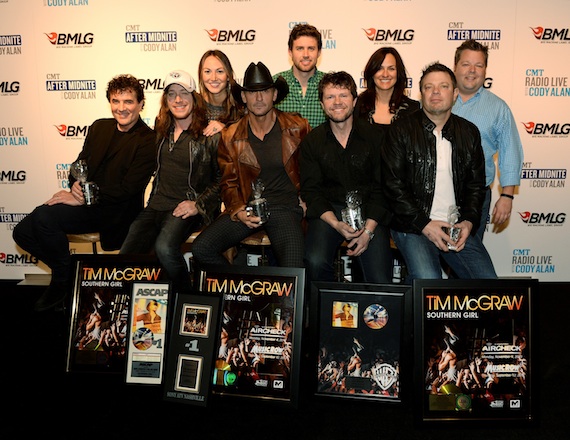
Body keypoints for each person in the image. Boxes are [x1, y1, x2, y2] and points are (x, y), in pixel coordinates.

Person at [13, 74, 156, 312]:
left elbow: (127, 189)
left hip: (115, 212)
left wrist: (83, 195)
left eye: (128, 102)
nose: (121, 108)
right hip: (87, 203)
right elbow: (79, 166)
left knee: (44, 218)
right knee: (22, 232)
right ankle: (69, 274)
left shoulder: (148, 140)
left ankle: (61, 283)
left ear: (141, 104)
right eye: (115, 101)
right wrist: (76, 186)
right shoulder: (99, 127)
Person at [382, 62, 497, 281]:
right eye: (429, 87)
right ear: (421, 93)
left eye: (443, 86)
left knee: (489, 284)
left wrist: (469, 222)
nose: (435, 92)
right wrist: (424, 224)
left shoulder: (468, 132)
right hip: (412, 225)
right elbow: (393, 186)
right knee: (427, 280)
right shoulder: (400, 131)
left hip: (455, 226)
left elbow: (476, 185)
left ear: (454, 93)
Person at [192, 62, 310, 268]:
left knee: (293, 269)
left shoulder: (297, 127)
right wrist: (237, 210)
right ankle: (242, 292)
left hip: (286, 208)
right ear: (243, 97)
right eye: (252, 92)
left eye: (264, 91)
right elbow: (228, 183)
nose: (258, 98)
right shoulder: (229, 135)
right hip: (249, 208)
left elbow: (312, 171)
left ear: (274, 95)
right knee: (202, 248)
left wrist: (306, 199)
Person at [120, 70, 221, 295]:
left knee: (164, 249)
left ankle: (186, 298)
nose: (178, 99)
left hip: (187, 207)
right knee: (127, 256)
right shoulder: (161, 129)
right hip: (157, 205)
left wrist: (198, 204)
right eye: (172, 94)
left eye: (184, 93)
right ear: (165, 100)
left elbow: (221, 180)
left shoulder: (209, 134)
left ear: (194, 98)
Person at [301, 71, 392, 284]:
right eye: (330, 97)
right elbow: (311, 192)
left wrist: (368, 232)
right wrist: (336, 224)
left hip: (370, 212)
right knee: (314, 261)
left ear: (354, 101)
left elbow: (384, 188)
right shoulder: (311, 142)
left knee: (379, 277)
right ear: (322, 104)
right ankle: (322, 314)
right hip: (329, 213)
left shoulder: (376, 137)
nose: (337, 102)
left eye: (343, 95)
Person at [452, 39, 524, 239]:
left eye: (479, 65)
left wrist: (507, 195)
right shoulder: (436, 100)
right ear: (455, 67)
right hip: (434, 195)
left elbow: (511, 152)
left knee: (470, 259)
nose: (472, 70)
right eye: (466, 64)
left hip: (476, 197)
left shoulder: (498, 108)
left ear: (485, 70)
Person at [273, 23, 326, 128]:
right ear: (290, 52)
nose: (306, 55)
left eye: (311, 48)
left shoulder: (329, 85)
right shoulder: (275, 83)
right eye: (300, 48)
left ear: (319, 52)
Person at [355, 47, 419, 129]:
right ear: (372, 72)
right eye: (379, 68)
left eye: (391, 68)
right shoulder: (357, 106)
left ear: (398, 73)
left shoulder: (412, 109)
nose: (385, 74)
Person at [197, 49, 243, 137]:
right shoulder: (195, 106)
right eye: (207, 72)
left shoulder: (241, 106)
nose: (213, 78)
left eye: (220, 71)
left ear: (228, 76)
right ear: (201, 76)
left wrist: (226, 130)